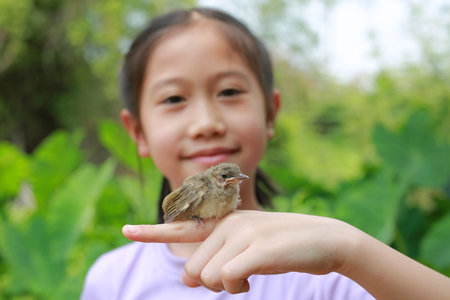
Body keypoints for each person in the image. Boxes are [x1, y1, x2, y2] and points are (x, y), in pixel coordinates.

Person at [81, 7, 450, 299]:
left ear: (271, 112)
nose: (206, 122)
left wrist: (349, 250)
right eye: (174, 98)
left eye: (228, 92)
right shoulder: (112, 281)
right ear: (138, 133)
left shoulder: (323, 272)